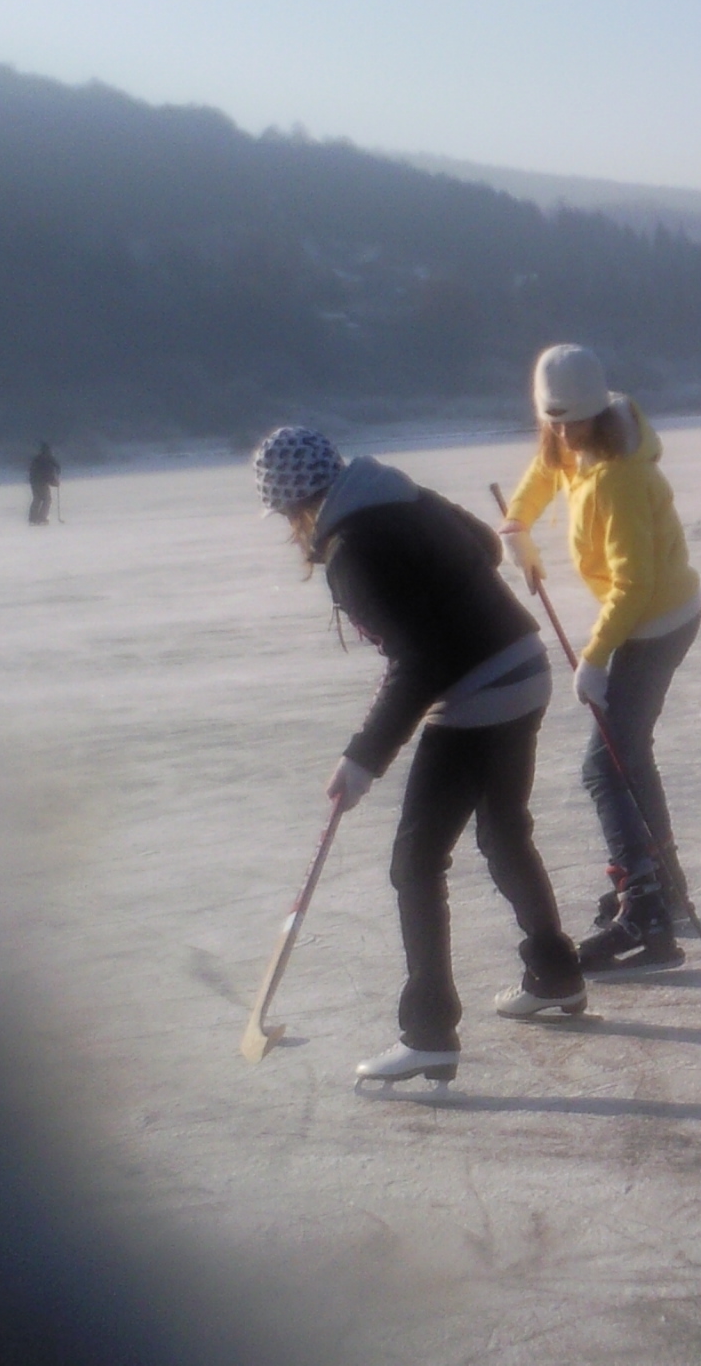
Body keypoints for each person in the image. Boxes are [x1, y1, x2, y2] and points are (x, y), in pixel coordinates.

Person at [252, 426, 587, 1086]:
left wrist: (362, 759)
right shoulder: (401, 494)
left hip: (479, 692)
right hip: (524, 666)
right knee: (502, 832)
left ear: (295, 506)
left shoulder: (353, 551)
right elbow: (487, 546)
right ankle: (556, 973)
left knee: (416, 862)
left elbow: (420, 662)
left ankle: (428, 1033)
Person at [501, 345, 701, 973]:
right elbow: (542, 474)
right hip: (642, 618)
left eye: (575, 421)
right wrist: (517, 529)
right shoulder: (568, 443)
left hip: (657, 622)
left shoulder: (619, 476)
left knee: (605, 765)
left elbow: (633, 586)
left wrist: (594, 658)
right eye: (553, 421)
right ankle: (663, 885)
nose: (564, 434)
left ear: (598, 413)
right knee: (628, 753)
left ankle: (644, 906)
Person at [28, 442, 61, 525]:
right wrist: (54, 482)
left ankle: (33, 519)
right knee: (47, 499)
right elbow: (48, 473)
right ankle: (41, 518)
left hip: (34, 482)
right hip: (41, 482)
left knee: (37, 499)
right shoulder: (48, 460)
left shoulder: (37, 459)